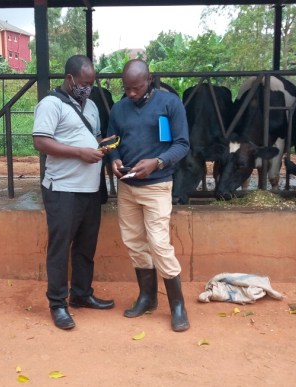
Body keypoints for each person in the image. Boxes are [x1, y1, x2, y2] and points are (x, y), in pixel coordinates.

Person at [106, 59, 191, 332]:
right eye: (127, 88)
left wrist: (157, 162)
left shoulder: (170, 104)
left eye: (137, 88)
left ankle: (178, 305)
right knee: (134, 242)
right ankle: (147, 297)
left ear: (149, 80)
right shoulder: (119, 109)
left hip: (157, 186)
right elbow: (111, 142)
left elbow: (182, 144)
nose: (131, 93)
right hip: (128, 188)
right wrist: (115, 160)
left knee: (158, 243)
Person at [32, 55, 116, 330]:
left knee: (85, 247)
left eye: (91, 83)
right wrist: (79, 152)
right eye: (84, 83)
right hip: (63, 190)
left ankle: (81, 294)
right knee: (60, 247)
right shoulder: (51, 104)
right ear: (69, 79)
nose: (88, 88)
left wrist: (104, 145)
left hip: (90, 189)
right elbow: (41, 141)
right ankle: (58, 303)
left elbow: (91, 136)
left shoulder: (90, 105)